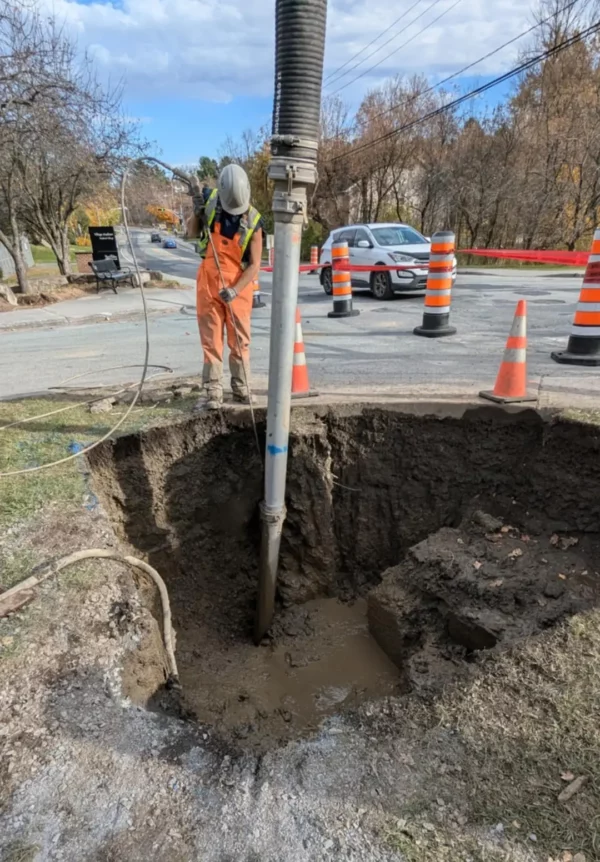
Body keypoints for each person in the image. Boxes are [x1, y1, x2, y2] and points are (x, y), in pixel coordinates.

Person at [187, 164, 263, 410]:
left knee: (240, 340)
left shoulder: (254, 221)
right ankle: (213, 391)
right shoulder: (209, 202)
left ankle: (241, 387)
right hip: (208, 282)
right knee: (211, 340)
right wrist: (196, 212)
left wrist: (235, 290)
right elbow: (191, 233)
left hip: (238, 285)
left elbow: (254, 265)